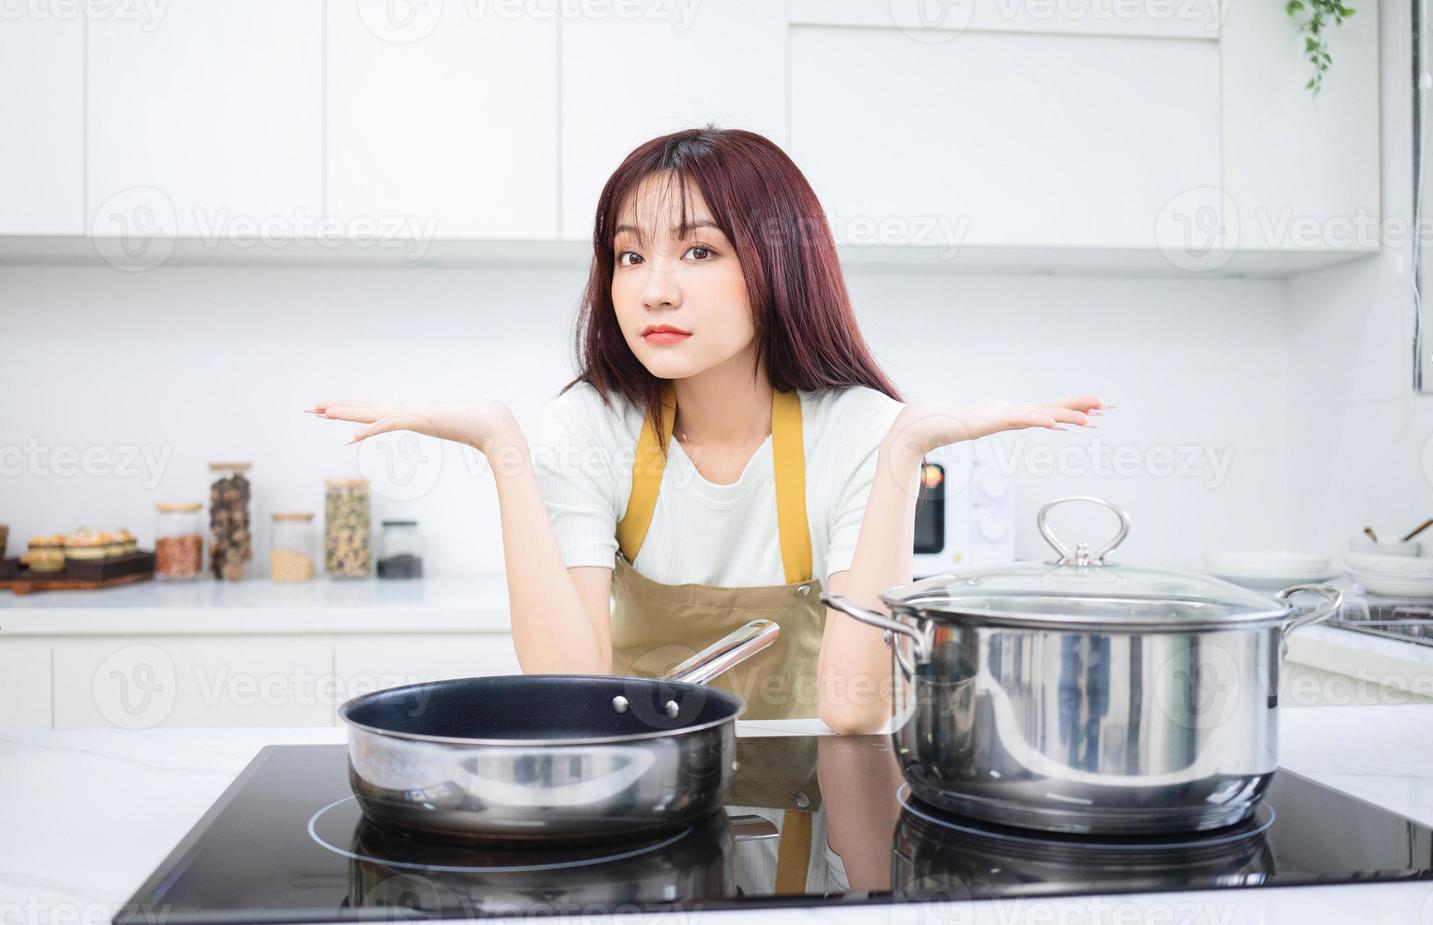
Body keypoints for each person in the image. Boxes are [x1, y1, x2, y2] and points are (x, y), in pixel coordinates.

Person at [308, 126, 1105, 734]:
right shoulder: (592, 425)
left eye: (697, 250)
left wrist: (904, 452)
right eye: (629, 257)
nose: (653, 290)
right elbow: (572, 683)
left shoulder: (859, 429)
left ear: (778, 265)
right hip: (640, 796)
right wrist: (504, 454)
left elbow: (854, 711)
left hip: (809, 805)